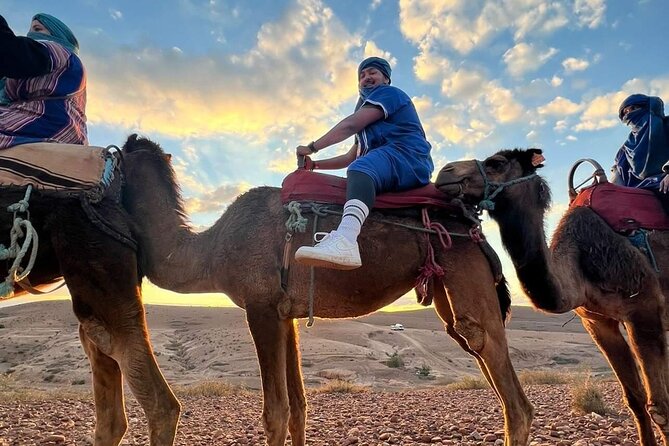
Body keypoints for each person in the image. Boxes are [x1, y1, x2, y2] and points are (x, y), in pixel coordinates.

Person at [294, 56, 433, 270]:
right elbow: (351, 156)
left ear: (386, 78)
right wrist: (314, 165)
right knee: (359, 167)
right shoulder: (367, 127)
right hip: (386, 160)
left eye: (372, 73)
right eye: (362, 75)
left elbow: (350, 126)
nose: (366, 78)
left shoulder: (388, 94)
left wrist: (312, 147)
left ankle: (347, 239)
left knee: (361, 169)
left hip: (407, 155)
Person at [0, 13, 87, 149]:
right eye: (30, 31)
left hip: (42, 126)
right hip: (64, 132)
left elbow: (11, 53)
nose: (30, 35)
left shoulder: (59, 52)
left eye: (37, 29)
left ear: (56, 34)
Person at [612, 94, 669, 192]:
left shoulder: (666, 126)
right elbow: (617, 182)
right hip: (639, 191)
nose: (629, 114)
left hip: (664, 183)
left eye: (633, 108)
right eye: (625, 112)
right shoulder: (624, 150)